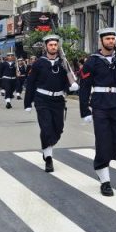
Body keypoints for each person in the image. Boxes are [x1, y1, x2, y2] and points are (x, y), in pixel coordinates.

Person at [79, 28, 116, 196]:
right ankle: (104, 179)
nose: (111, 41)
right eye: (108, 39)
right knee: (103, 141)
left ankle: (105, 159)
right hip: (100, 105)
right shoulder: (93, 60)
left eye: (113, 38)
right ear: (101, 41)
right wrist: (84, 110)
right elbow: (84, 86)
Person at [25, 35, 78, 173]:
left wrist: (70, 87)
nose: (53, 47)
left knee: (58, 129)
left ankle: (48, 145)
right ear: (45, 47)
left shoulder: (63, 63)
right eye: (51, 45)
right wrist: (28, 103)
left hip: (58, 100)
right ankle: (48, 157)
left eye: (55, 45)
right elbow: (30, 84)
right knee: (46, 127)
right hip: (42, 99)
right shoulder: (38, 63)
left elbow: (68, 79)